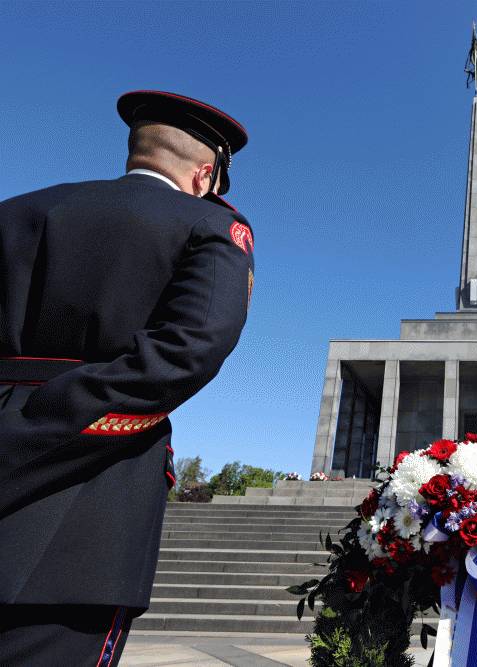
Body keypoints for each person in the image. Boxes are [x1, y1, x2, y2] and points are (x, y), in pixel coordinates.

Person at [0, 90, 255, 666]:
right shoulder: (208, 226)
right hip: (82, 516)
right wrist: (34, 427)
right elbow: (186, 351)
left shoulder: (15, 213)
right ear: (206, 174)